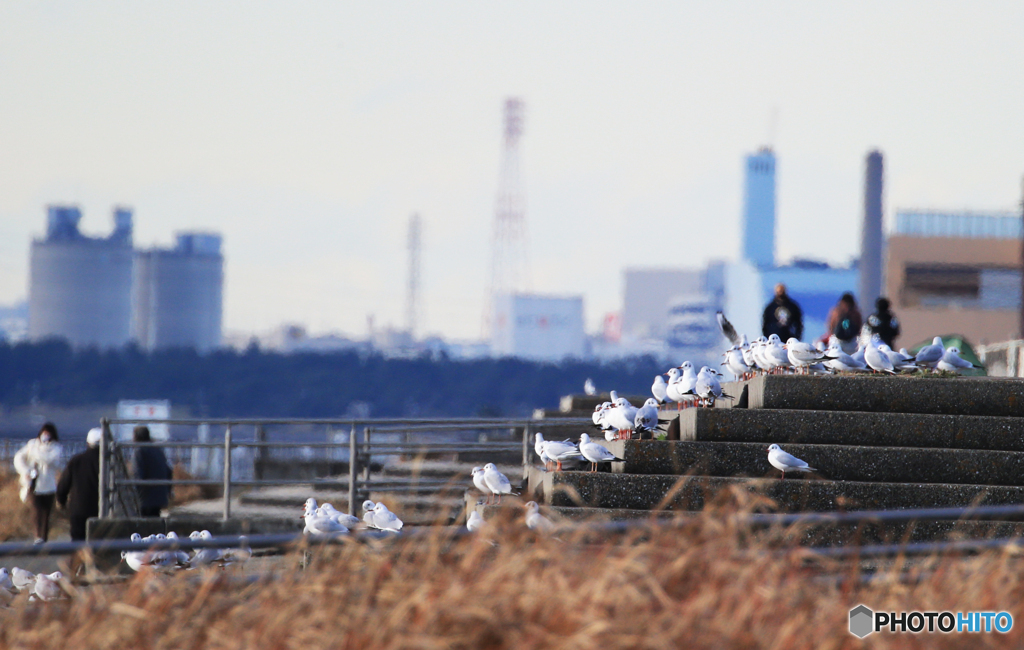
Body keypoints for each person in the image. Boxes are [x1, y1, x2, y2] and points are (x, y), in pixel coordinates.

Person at [13, 423, 64, 543]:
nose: (45, 436)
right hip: (34, 484)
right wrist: (26, 470)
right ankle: (37, 536)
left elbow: (50, 460)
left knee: (46, 513)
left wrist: (37, 454)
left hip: (49, 486)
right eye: (44, 433)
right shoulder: (32, 445)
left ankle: (43, 537)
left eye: (48, 433)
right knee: (36, 511)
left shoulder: (56, 448)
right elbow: (19, 457)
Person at [56, 427, 102, 541]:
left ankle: (80, 558)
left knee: (78, 543)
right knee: (98, 543)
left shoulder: (76, 460)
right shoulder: (108, 463)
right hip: (101, 509)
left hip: (79, 508)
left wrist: (61, 501)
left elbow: (63, 484)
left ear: (88, 442)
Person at [131, 425, 173, 518]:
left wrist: (133, 496)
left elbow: (138, 475)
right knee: (155, 521)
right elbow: (169, 471)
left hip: (145, 497)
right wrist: (168, 491)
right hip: (160, 495)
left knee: (144, 524)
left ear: (136, 437)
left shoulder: (139, 451)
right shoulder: (158, 449)